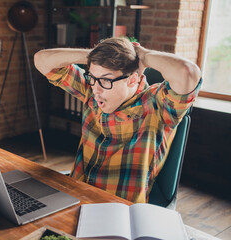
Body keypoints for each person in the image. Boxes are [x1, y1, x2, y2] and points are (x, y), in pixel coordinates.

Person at [34, 37, 202, 203]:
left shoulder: (157, 105)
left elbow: (187, 72)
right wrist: (94, 55)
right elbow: (41, 60)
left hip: (118, 208)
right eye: (92, 78)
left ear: (132, 80)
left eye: (106, 80)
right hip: (76, 195)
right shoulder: (92, 89)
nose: (96, 90)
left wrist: (144, 55)